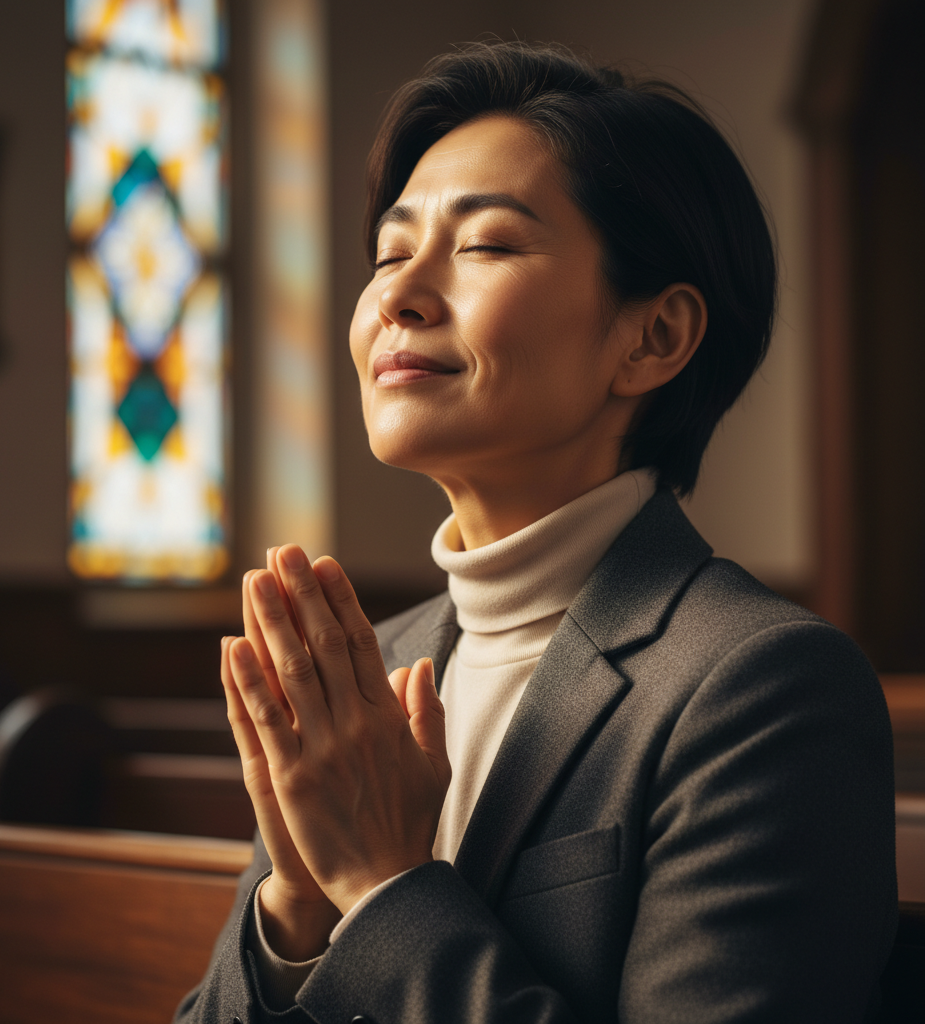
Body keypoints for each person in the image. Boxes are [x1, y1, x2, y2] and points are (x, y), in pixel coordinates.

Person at [176, 41, 896, 1024]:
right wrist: (301, 903)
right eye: (390, 252)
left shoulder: (766, 687)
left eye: (485, 246)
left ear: (653, 339)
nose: (398, 294)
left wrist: (384, 888)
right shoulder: (372, 667)